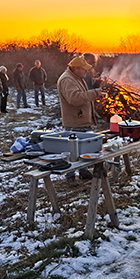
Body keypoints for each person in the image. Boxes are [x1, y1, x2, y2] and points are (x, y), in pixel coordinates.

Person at [57, 56, 104, 184]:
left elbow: (81, 94)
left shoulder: (76, 78)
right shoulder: (67, 79)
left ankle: (83, 172)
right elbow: (75, 99)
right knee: (72, 151)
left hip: (81, 120)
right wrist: (94, 93)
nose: (86, 71)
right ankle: (70, 176)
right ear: (76, 68)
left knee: (83, 149)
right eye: (84, 69)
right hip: (74, 122)